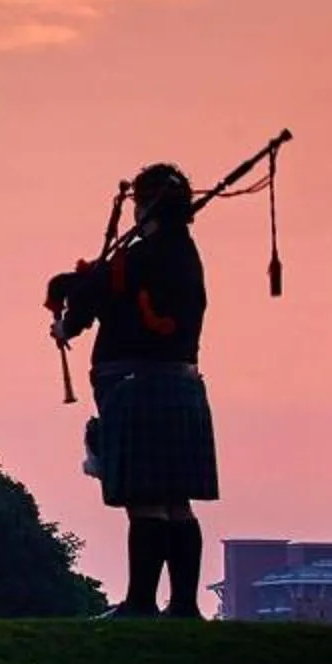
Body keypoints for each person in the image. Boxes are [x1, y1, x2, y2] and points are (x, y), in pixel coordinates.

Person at [46, 164, 218, 618]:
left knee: (145, 500)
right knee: (176, 501)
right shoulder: (186, 256)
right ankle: (183, 606)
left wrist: (66, 316)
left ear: (146, 206)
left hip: (132, 387)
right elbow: (101, 284)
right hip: (182, 385)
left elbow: (93, 294)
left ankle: (140, 603)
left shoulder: (139, 258)